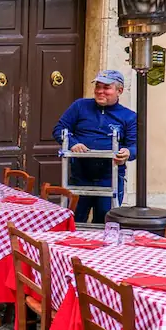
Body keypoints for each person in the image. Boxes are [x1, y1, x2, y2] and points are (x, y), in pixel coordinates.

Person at [52, 70, 137, 223]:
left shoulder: (129, 117)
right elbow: (59, 129)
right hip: (80, 176)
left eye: (106, 87)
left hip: (109, 177)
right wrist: (73, 143)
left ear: (119, 91)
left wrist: (127, 152)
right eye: (98, 86)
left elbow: (134, 146)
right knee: (74, 220)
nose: (100, 91)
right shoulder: (80, 106)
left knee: (105, 222)